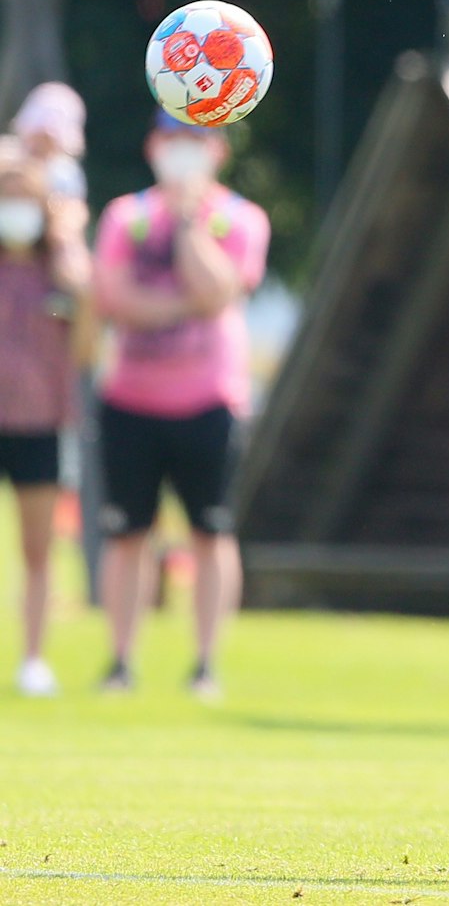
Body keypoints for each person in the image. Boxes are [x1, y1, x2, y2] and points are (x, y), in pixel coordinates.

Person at [93, 111, 269, 699]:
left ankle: (205, 665)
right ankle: (120, 661)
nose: (184, 150)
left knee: (210, 534)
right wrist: (182, 307)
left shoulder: (240, 218)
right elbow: (115, 298)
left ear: (217, 150)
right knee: (127, 536)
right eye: (174, 138)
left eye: (196, 139)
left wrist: (191, 224)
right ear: (153, 145)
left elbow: (221, 292)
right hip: (130, 401)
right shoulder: (127, 216)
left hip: (208, 402)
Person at [0, 147, 91, 695]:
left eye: (24, 199)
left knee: (38, 548)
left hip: (38, 423)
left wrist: (70, 249)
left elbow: (85, 350)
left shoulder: (57, 270)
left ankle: (33, 658)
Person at [11, 81, 88, 201]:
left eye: (50, 140)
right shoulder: (7, 158)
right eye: (39, 135)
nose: (43, 144)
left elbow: (70, 213)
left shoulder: (66, 175)